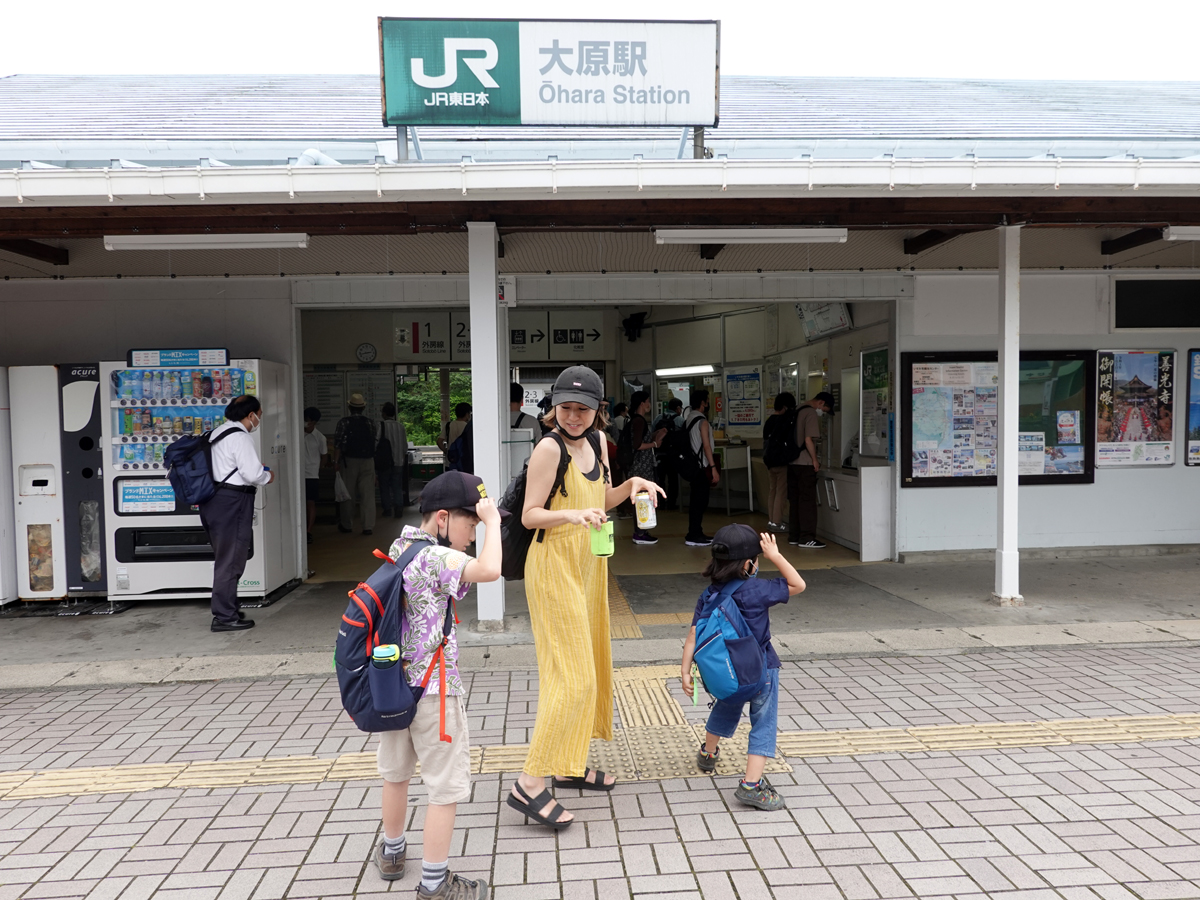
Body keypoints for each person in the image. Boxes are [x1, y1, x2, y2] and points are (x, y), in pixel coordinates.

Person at [508, 366, 663, 830]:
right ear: (553, 406)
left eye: (584, 409)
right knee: (571, 677)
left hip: (590, 565)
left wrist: (633, 485)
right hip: (553, 567)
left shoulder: (597, 444)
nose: (573, 416)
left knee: (592, 665)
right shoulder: (547, 449)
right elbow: (531, 515)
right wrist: (573, 515)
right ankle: (530, 784)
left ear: (599, 412)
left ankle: (568, 763)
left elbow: (605, 496)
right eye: (566, 407)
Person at [373, 471, 505, 900]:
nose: (473, 535)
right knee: (444, 787)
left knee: (395, 775)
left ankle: (392, 853)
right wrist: (498, 526)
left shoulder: (401, 546)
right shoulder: (435, 558)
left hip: (393, 685)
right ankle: (435, 882)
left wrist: (482, 522)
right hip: (435, 692)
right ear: (444, 518)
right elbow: (489, 569)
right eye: (472, 525)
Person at [680, 524, 806, 811]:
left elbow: (692, 636)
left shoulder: (710, 595)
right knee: (763, 723)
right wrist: (775, 555)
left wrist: (686, 672)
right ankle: (751, 785)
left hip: (727, 672)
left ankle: (708, 753)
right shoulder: (758, 590)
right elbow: (798, 585)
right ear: (749, 564)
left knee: (726, 706)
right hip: (762, 670)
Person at [199, 395, 274, 633]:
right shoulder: (240, 437)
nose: (258, 420)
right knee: (231, 560)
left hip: (212, 501)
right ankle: (224, 616)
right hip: (232, 502)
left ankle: (229, 607)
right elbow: (252, 474)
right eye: (258, 416)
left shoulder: (216, 433)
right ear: (250, 415)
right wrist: (268, 476)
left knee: (225, 558)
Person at [789, 391, 834, 549]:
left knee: (795, 500)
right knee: (807, 501)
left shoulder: (797, 409)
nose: (822, 413)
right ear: (821, 403)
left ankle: (794, 535)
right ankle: (807, 537)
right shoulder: (810, 413)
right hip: (805, 463)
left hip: (792, 462)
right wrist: (815, 459)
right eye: (825, 409)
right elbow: (808, 439)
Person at [334, 393, 377, 536]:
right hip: (368, 460)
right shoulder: (370, 422)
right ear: (363, 407)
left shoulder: (343, 422)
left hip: (349, 461)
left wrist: (336, 461)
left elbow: (338, 443)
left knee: (348, 494)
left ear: (349, 407)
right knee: (368, 495)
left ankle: (347, 524)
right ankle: (368, 526)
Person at [627, 391, 667, 545]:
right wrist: (655, 444)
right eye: (648, 400)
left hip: (639, 465)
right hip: (640, 466)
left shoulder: (637, 420)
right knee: (642, 498)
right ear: (642, 403)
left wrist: (656, 434)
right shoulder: (639, 421)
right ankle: (640, 532)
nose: (650, 403)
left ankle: (642, 530)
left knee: (642, 498)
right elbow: (637, 445)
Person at [683, 389, 719, 548]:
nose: (708, 403)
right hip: (701, 466)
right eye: (707, 400)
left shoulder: (689, 418)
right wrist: (713, 467)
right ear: (703, 403)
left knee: (695, 501)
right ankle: (694, 534)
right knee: (700, 501)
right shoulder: (702, 421)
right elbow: (706, 446)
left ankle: (696, 531)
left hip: (692, 465)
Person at [763, 393, 796, 533]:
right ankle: (777, 522)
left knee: (773, 490)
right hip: (781, 462)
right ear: (785, 407)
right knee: (781, 493)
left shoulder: (769, 421)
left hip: (770, 461)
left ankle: (771, 520)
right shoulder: (785, 421)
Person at [302, 407, 328, 546]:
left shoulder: (320, 438)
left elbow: (324, 456)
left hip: (312, 474)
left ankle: (308, 531)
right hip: (298, 473)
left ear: (314, 422)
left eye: (307, 420)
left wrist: (319, 469)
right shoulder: (297, 434)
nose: (305, 423)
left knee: (310, 503)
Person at [377, 402, 408, 518]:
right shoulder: (401, 426)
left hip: (385, 462)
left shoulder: (382, 425)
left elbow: (377, 441)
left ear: (384, 414)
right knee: (397, 486)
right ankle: (399, 508)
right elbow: (405, 446)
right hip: (399, 461)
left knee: (384, 486)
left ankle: (387, 509)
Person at [653, 398, 684, 510]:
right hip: (673, 454)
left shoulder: (658, 418)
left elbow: (652, 432)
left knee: (660, 480)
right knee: (673, 480)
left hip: (659, 453)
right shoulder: (680, 420)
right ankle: (671, 504)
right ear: (678, 408)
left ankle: (659, 503)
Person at [437, 403, 472, 471]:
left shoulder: (449, 425)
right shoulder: (468, 427)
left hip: (451, 461)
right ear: (467, 414)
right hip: (464, 462)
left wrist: (447, 451)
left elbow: (439, 441)